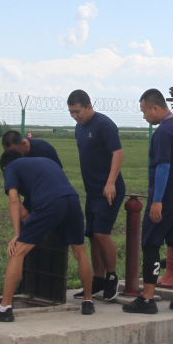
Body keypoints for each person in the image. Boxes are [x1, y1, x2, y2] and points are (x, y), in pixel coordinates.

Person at [0, 149, 95, 322]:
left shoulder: (10, 168)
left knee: (17, 252)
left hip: (50, 202)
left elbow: (13, 199)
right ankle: (88, 300)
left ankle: (4, 308)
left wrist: (17, 234)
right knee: (79, 251)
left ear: (4, 167)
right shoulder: (44, 161)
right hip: (72, 199)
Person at [122, 88, 173, 315]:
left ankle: (147, 299)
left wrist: (157, 201)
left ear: (155, 107)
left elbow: (163, 167)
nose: (144, 117)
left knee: (151, 245)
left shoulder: (163, 132)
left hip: (166, 200)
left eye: (144, 111)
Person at [67, 89, 125, 301]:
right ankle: (98, 279)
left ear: (89, 107)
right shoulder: (79, 128)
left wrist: (110, 183)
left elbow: (118, 153)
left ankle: (111, 277)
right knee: (91, 235)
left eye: (78, 111)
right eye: (71, 112)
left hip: (108, 190)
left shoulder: (104, 124)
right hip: (92, 191)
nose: (75, 115)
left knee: (102, 233)